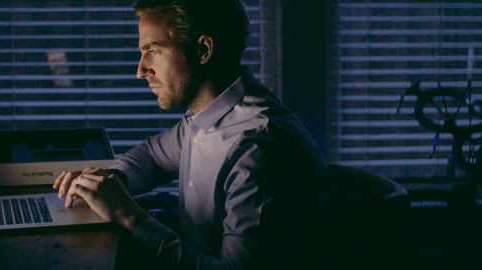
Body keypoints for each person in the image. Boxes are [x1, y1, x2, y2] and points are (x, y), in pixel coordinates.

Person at [53, 0, 327, 268]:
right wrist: (112, 180)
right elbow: (152, 156)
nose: (141, 71)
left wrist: (127, 214)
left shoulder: (259, 147)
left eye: (154, 50)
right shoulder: (208, 118)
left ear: (203, 50)